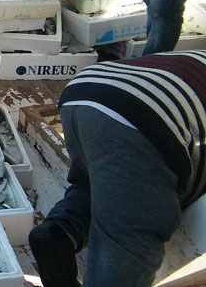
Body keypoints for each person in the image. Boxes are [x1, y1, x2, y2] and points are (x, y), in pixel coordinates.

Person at [28, 50, 206, 287]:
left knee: (98, 183)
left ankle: (60, 232)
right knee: (128, 242)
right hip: (144, 115)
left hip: (86, 90)